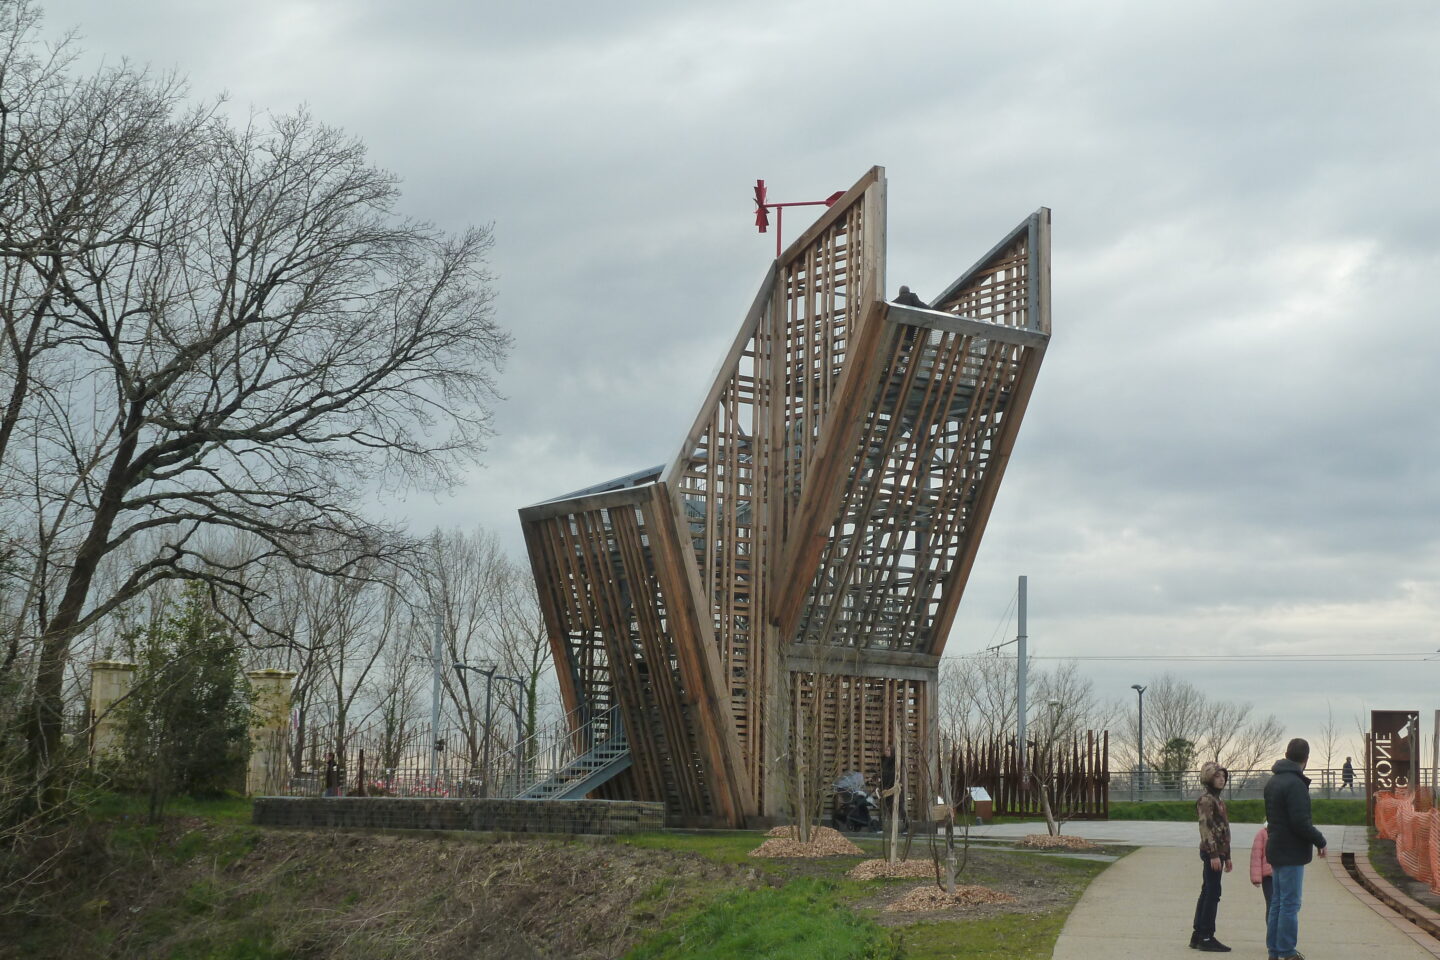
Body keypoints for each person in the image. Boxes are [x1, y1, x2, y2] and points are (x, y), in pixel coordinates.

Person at [1264, 738, 1327, 960]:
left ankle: (1274, 949)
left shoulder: (1273, 782)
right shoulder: (1295, 784)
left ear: (1286, 754)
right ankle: (1287, 951)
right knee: (1290, 904)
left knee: (1277, 903)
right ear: (1306, 759)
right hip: (1291, 852)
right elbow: (1300, 822)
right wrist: (1320, 840)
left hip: (1276, 848)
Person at [1190, 762, 1233, 952]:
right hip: (1211, 852)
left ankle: (1198, 935)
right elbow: (1205, 827)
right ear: (1208, 778)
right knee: (1213, 893)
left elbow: (1223, 829)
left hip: (1220, 852)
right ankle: (1206, 936)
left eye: (1223, 776)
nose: (1221, 779)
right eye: (1217, 776)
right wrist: (1214, 854)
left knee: (1208, 890)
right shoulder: (1206, 800)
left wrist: (1227, 855)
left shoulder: (1218, 800)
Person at [1250, 821, 1273, 913]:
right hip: (1268, 876)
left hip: (1283, 874)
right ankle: (1271, 927)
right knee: (1271, 904)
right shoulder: (1262, 834)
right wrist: (1256, 878)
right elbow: (1256, 856)